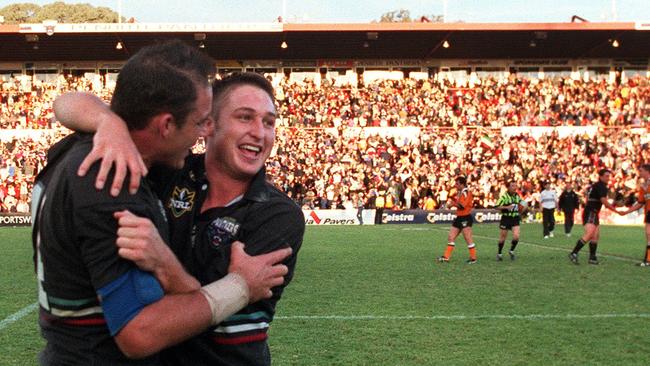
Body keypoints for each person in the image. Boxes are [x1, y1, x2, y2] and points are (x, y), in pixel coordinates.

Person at [35, 42, 291, 366]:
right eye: (201, 122)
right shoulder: (113, 178)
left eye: (269, 121)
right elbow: (139, 333)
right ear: (166, 125)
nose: (203, 131)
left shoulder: (85, 148)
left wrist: (107, 121)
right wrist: (241, 286)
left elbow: (66, 104)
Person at [568, 169, 623, 265]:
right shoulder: (601, 186)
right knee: (590, 233)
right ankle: (574, 253)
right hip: (591, 212)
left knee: (595, 236)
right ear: (601, 176)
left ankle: (592, 258)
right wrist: (617, 210)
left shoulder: (599, 186)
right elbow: (604, 202)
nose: (608, 178)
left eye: (608, 176)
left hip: (593, 212)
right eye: (606, 176)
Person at [437, 176, 478, 264]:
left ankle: (473, 258)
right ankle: (446, 257)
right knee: (451, 237)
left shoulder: (466, 192)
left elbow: (462, 206)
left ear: (462, 184)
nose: (455, 185)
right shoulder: (460, 192)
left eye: (457, 184)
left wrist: (452, 204)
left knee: (468, 238)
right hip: (459, 217)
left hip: (465, 217)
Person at [619, 164, 650, 266]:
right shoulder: (643, 186)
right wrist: (627, 212)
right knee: (648, 235)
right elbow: (640, 203)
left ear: (647, 171)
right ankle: (648, 260)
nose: (639, 173)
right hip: (648, 212)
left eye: (641, 170)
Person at [493, 181, 524, 261]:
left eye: (515, 186)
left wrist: (524, 206)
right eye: (513, 186)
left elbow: (522, 203)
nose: (515, 188)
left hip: (515, 218)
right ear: (508, 187)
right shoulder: (504, 197)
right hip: (506, 219)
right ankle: (499, 253)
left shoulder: (517, 196)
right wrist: (506, 207)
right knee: (502, 238)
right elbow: (496, 206)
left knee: (516, 236)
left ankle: (511, 251)